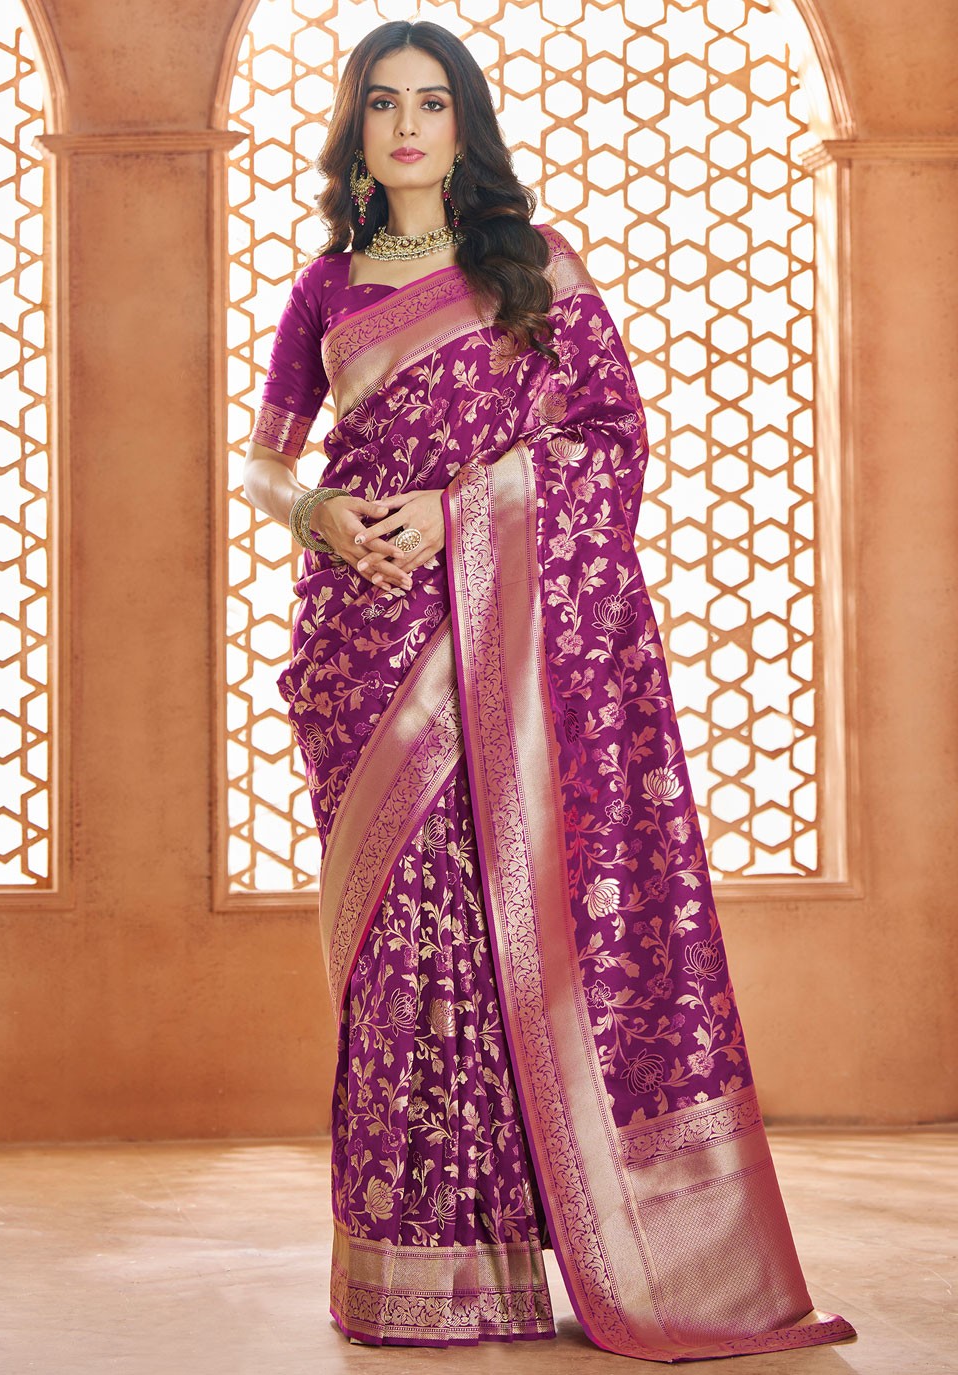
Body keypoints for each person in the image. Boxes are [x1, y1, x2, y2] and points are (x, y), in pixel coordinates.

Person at [242, 18, 856, 1361]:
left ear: (465, 125)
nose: (408, 126)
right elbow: (265, 460)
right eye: (383, 103)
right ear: (355, 126)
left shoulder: (533, 269)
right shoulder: (326, 289)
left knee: (509, 928)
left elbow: (611, 441)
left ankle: (546, 1258)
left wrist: (457, 510)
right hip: (362, 645)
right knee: (404, 945)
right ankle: (420, 1273)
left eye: (433, 103)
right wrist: (319, 518)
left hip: (505, 648)